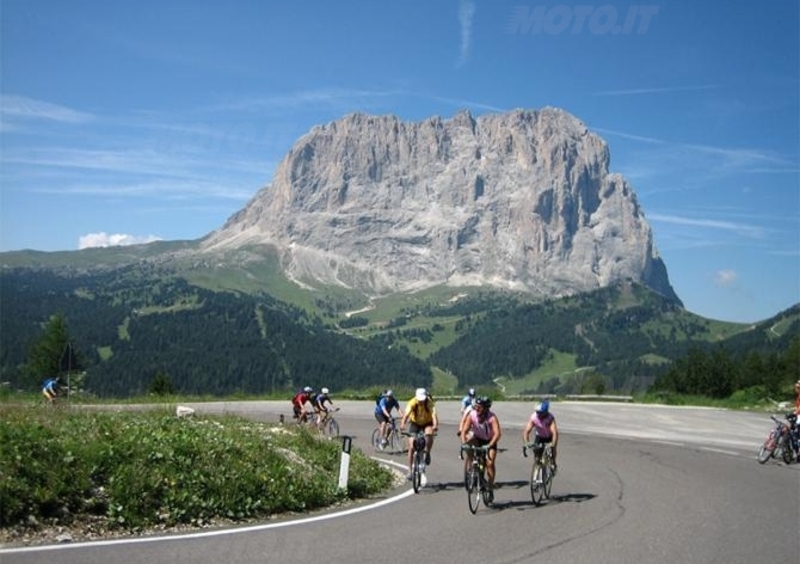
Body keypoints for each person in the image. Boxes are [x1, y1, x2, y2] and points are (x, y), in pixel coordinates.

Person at [459, 396, 502, 500]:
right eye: (476, 406)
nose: (476, 409)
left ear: (486, 408)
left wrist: (490, 444)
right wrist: (464, 443)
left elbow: (497, 434)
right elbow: (464, 431)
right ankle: (473, 466)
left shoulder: (492, 417)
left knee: (490, 463)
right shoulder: (472, 415)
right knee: (469, 445)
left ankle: (490, 487)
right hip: (478, 438)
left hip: (489, 441)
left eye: (479, 407)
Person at [400, 388, 438, 479]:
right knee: (411, 447)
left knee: (429, 434)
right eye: (419, 399)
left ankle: (428, 452)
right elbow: (406, 414)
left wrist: (435, 425)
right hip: (415, 423)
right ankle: (410, 471)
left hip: (427, 423)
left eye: (422, 399)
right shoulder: (412, 402)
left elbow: (434, 415)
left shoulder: (429, 403)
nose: (421, 401)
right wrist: (403, 423)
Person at [522, 400, 559, 473]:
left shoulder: (550, 417)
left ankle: (553, 462)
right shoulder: (534, 417)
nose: (538, 414)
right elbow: (526, 431)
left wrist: (553, 444)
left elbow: (555, 433)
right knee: (537, 456)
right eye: (537, 412)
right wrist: (526, 442)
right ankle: (537, 472)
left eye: (540, 412)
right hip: (540, 437)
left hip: (550, 437)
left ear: (545, 412)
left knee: (553, 449)